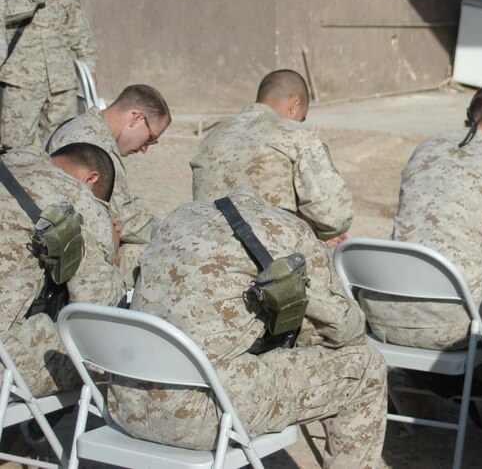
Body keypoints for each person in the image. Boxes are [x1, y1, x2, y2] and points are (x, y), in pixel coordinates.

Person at [111, 190, 387, 468]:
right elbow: (346, 329)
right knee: (366, 366)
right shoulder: (288, 231)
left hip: (126, 402)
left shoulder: (179, 217)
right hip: (195, 416)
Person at [364, 82, 482, 351]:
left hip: (383, 315)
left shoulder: (428, 146)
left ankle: (457, 380)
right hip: (457, 325)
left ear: (468, 121)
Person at [0, 142, 123, 397]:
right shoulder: (76, 198)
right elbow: (97, 310)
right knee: (104, 364)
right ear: (90, 180)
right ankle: (34, 435)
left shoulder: (11, 161)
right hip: (5, 361)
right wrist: (114, 255)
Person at [191, 69, 352, 244]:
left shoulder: (212, 136)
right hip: (267, 258)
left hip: (207, 249)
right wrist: (311, 229)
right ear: (294, 105)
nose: (300, 122)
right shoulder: (296, 135)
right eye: (301, 117)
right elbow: (334, 217)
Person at [46, 84, 171, 284]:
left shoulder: (93, 131)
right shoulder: (91, 141)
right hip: (73, 251)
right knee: (163, 257)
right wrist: (170, 232)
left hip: (75, 239)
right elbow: (123, 218)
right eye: (151, 139)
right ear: (137, 118)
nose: (145, 148)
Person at [0, 0, 98, 149]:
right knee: (15, 151)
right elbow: (4, 14)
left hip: (61, 80)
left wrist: (88, 64)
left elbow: (76, 23)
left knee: (62, 147)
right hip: (21, 82)